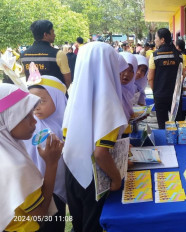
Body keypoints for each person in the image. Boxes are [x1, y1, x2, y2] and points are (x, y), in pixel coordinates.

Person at [62, 42, 128, 232]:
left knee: (79, 224)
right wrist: (116, 179)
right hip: (94, 178)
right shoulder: (107, 99)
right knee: (92, 226)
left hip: (72, 171)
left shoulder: (75, 94)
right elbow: (100, 153)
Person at [0, 83, 63, 232]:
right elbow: (40, 214)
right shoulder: (16, 166)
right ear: (7, 119)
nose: (34, 121)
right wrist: (52, 164)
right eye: (26, 116)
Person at [24, 75, 67, 231]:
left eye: (41, 101)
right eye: (31, 101)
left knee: (56, 222)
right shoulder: (28, 126)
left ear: (58, 98)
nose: (35, 107)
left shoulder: (65, 126)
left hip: (56, 186)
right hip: (35, 189)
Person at [147, 28, 184, 129]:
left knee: (163, 126)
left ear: (162, 39)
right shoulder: (179, 55)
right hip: (176, 96)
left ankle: (165, 144)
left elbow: (150, 78)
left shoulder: (154, 55)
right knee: (178, 125)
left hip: (160, 95)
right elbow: (182, 75)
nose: (154, 40)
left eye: (156, 38)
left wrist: (156, 92)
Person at [21, 20, 72, 88]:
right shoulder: (58, 54)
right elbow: (67, 79)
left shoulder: (24, 55)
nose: (54, 35)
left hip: (34, 96)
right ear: (45, 34)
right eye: (53, 32)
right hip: (54, 96)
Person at [119, 52, 137, 119]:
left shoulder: (130, 89)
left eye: (131, 71)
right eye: (123, 69)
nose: (126, 74)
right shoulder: (113, 91)